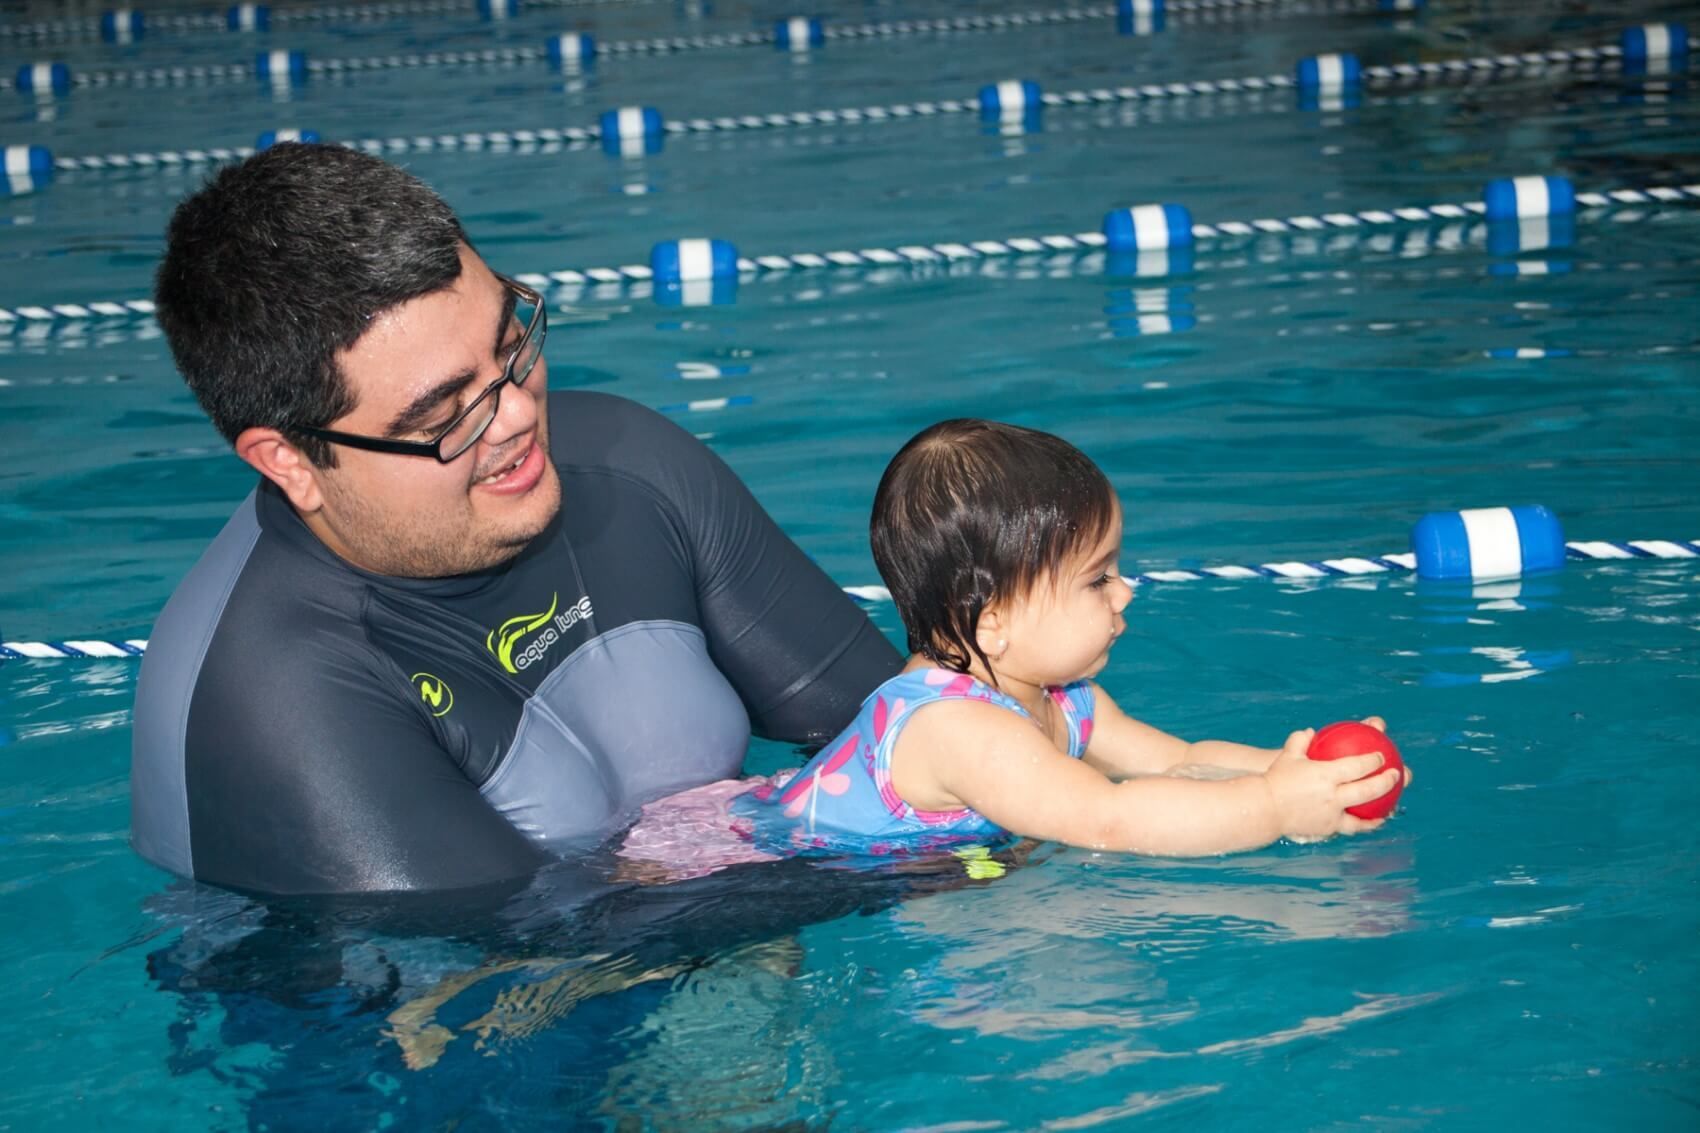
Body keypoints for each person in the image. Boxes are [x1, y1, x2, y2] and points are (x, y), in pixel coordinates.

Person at [129, 143, 902, 897]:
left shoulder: (632, 466)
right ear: (289, 461)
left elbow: (900, 723)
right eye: (445, 413)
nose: (518, 416)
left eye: (511, 346)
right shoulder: (274, 691)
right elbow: (512, 975)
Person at [617, 418, 1409, 876]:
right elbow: (1108, 817)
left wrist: (1300, 775)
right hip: (722, 864)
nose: (1126, 591)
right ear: (989, 620)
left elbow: (1176, 760)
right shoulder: (955, 728)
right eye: (1098, 579)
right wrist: (1271, 809)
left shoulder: (1060, 695)